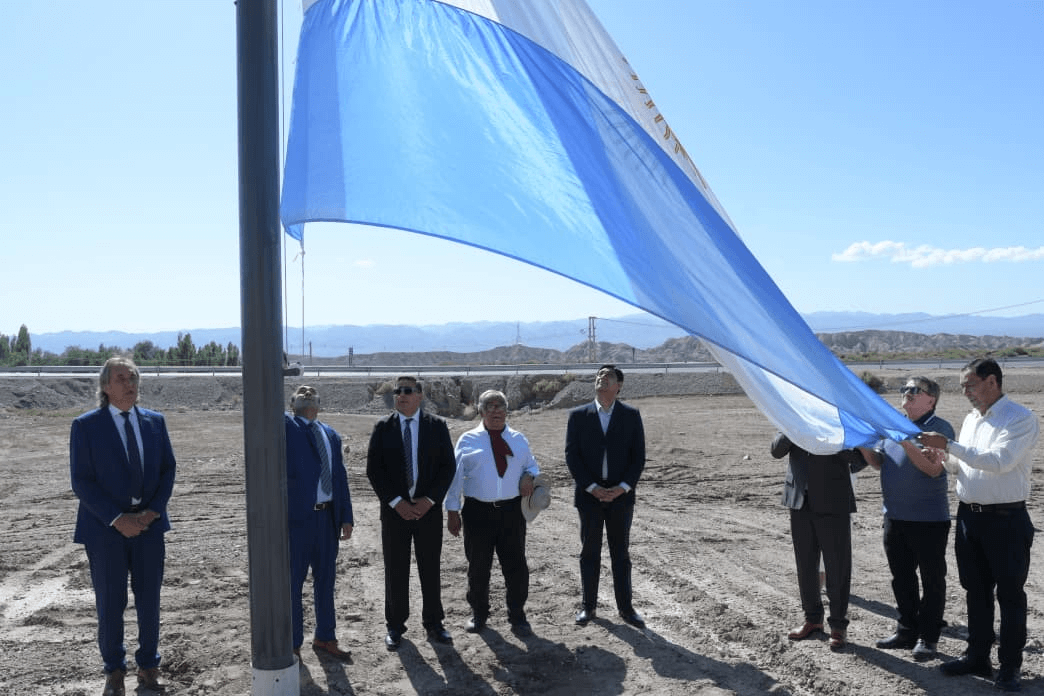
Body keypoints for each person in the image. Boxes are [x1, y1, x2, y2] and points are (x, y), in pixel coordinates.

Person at [920, 358, 1039, 691]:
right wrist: (944, 459)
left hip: (1006, 519)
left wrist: (950, 446)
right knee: (976, 591)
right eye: (962, 387)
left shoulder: (1020, 418)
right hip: (970, 517)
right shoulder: (972, 419)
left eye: (969, 385)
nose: (966, 392)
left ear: (992, 381)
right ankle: (978, 656)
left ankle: (1010, 666)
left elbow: (1000, 462)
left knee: (1010, 595)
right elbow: (966, 464)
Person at [70, 356, 176, 696]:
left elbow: (167, 470)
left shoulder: (155, 422)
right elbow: (82, 482)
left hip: (149, 528)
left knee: (149, 600)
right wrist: (117, 519)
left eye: (132, 378)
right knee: (110, 602)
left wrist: (152, 512)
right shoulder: (86, 426)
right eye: (120, 378)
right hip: (105, 532)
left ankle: (148, 666)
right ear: (105, 386)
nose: (129, 384)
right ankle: (114, 671)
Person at [858, 377, 954, 661]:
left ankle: (928, 637)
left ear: (931, 400)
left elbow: (933, 470)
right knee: (901, 578)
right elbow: (879, 462)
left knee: (932, 580)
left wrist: (907, 441)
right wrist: (863, 444)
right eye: (904, 389)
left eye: (914, 391)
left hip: (929, 520)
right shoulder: (893, 425)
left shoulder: (939, 429)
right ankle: (906, 630)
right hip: (895, 517)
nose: (906, 395)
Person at [366, 376, 456, 650]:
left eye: (407, 391)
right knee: (396, 569)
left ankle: (434, 622)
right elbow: (374, 470)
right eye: (397, 391)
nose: (401, 395)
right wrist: (397, 502)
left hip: (428, 512)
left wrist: (429, 501)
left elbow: (447, 468)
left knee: (430, 568)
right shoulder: (383, 427)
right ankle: (395, 626)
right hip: (395, 514)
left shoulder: (436, 427)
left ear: (419, 395)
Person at [446, 390, 540, 637]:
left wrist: (529, 475)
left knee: (516, 565)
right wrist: (452, 511)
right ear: (481, 411)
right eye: (490, 406)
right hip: (478, 512)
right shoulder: (467, 440)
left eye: (501, 406)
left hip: (512, 512)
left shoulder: (519, 439)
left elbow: (531, 464)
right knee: (478, 566)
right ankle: (479, 614)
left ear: (507, 411)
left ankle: (517, 615)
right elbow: (455, 478)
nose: (496, 411)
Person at [566, 364, 646, 628]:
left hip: (620, 498)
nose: (601, 379)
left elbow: (638, 458)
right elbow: (572, 456)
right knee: (589, 552)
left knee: (620, 554)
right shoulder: (578, 416)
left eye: (608, 376)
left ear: (619, 385)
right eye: (599, 376)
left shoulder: (631, 416)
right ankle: (588, 608)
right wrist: (592, 487)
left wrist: (622, 487)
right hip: (589, 497)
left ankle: (626, 608)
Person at [772, 433, 865, 651]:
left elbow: (860, 460)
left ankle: (838, 626)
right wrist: (791, 428)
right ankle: (812, 619)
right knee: (805, 565)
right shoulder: (792, 416)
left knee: (837, 566)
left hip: (833, 501)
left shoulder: (837, 419)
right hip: (799, 501)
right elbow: (776, 450)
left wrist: (830, 442)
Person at [285, 385, 354, 661]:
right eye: (300, 391)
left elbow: (340, 476)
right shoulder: (287, 426)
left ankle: (325, 637)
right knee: (293, 584)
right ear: (292, 403)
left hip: (326, 519)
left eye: (312, 391)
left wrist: (346, 516)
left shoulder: (331, 434)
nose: (307, 390)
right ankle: (292, 644)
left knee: (326, 582)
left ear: (320, 403)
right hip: (297, 521)